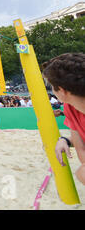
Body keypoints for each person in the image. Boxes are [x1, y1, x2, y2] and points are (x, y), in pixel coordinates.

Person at [42, 53, 85, 185]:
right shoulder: (70, 108)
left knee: (82, 174)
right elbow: (81, 149)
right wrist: (64, 139)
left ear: (62, 91)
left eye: (51, 87)